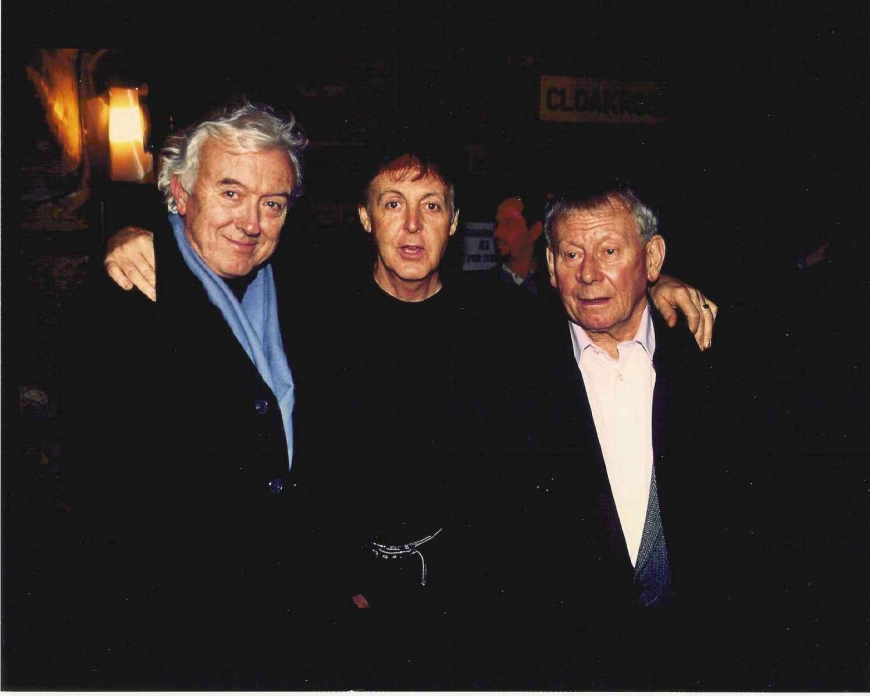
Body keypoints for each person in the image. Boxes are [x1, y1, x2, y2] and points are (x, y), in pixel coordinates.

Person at [98, 147, 721, 689]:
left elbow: (595, 303)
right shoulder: (312, 305)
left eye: (430, 206)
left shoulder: (501, 319)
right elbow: (227, 257)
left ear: (453, 222)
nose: (413, 226)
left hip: (474, 606)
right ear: (366, 219)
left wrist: (661, 288)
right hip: (341, 603)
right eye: (393, 204)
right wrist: (135, 233)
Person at [55, 101, 341, 689]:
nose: (251, 222)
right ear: (179, 194)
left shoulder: (305, 291)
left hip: (292, 624)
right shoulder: (125, 299)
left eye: (273, 203)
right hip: (173, 635)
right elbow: (102, 496)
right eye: (230, 193)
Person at [481, 181, 749, 690]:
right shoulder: (507, 372)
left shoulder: (712, 355)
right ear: (550, 262)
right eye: (571, 253)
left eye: (609, 251)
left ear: (652, 258)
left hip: (705, 659)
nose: (587, 274)